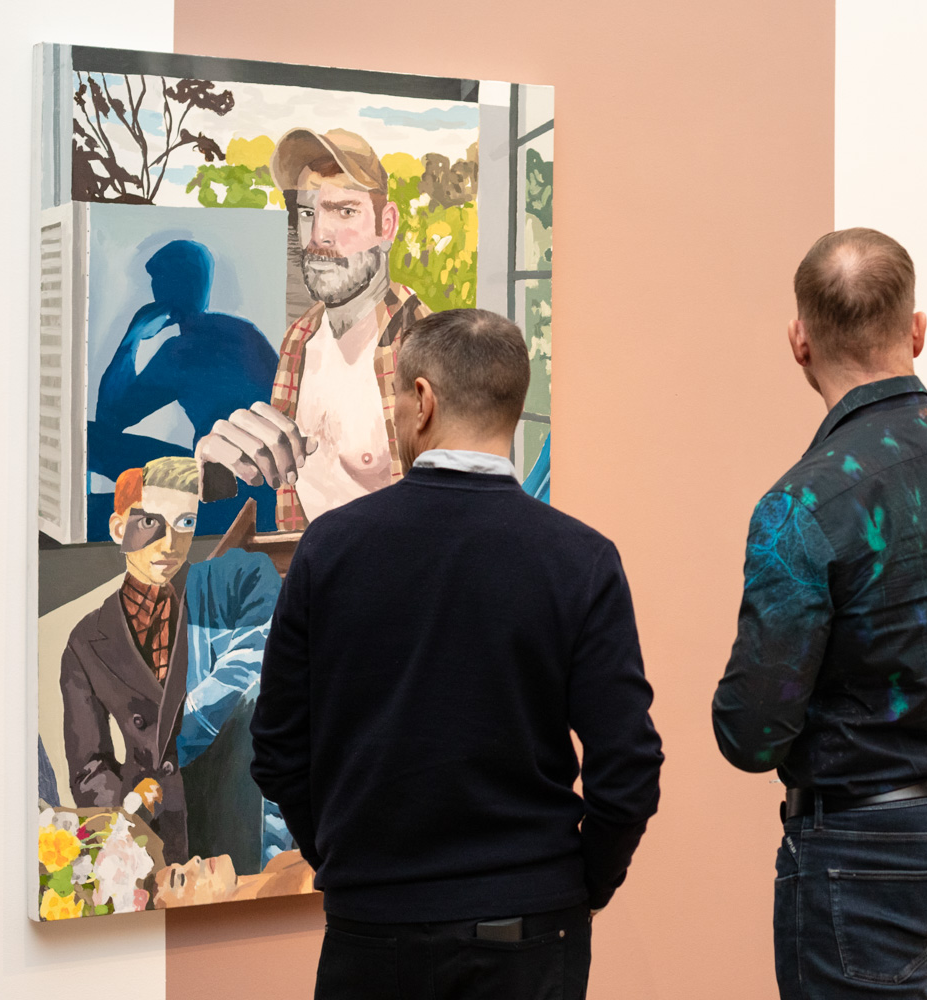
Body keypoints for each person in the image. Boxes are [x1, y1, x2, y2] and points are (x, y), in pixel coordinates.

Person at [251, 309, 663, 1000]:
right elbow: (629, 768)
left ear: (423, 401)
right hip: (530, 922)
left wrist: (343, 858)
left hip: (372, 920)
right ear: (514, 402)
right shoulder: (581, 559)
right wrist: (580, 881)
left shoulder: (330, 549)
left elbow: (277, 749)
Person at [711, 229, 927, 999]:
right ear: (918, 331)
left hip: (866, 854)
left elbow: (751, 732)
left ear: (799, 341)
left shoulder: (800, 505)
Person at [195, 127, 432, 529]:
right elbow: (284, 486)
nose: (319, 235)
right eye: (308, 212)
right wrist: (215, 466)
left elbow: (454, 518)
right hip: (303, 579)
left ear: (386, 225)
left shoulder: (428, 346)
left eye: (345, 211)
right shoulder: (299, 338)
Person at [59, 456, 282, 869]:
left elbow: (262, 633)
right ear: (117, 528)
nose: (169, 544)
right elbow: (89, 767)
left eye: (184, 523)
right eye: (150, 524)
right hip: (150, 833)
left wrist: (184, 728)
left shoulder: (230, 581)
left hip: (232, 812)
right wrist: (124, 817)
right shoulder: (85, 641)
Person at [88, 239, 281, 538]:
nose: (155, 291)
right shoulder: (243, 332)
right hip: (262, 488)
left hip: (222, 492)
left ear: (171, 287)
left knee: (88, 440)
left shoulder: (180, 351)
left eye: (159, 282)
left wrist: (133, 337)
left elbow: (111, 418)